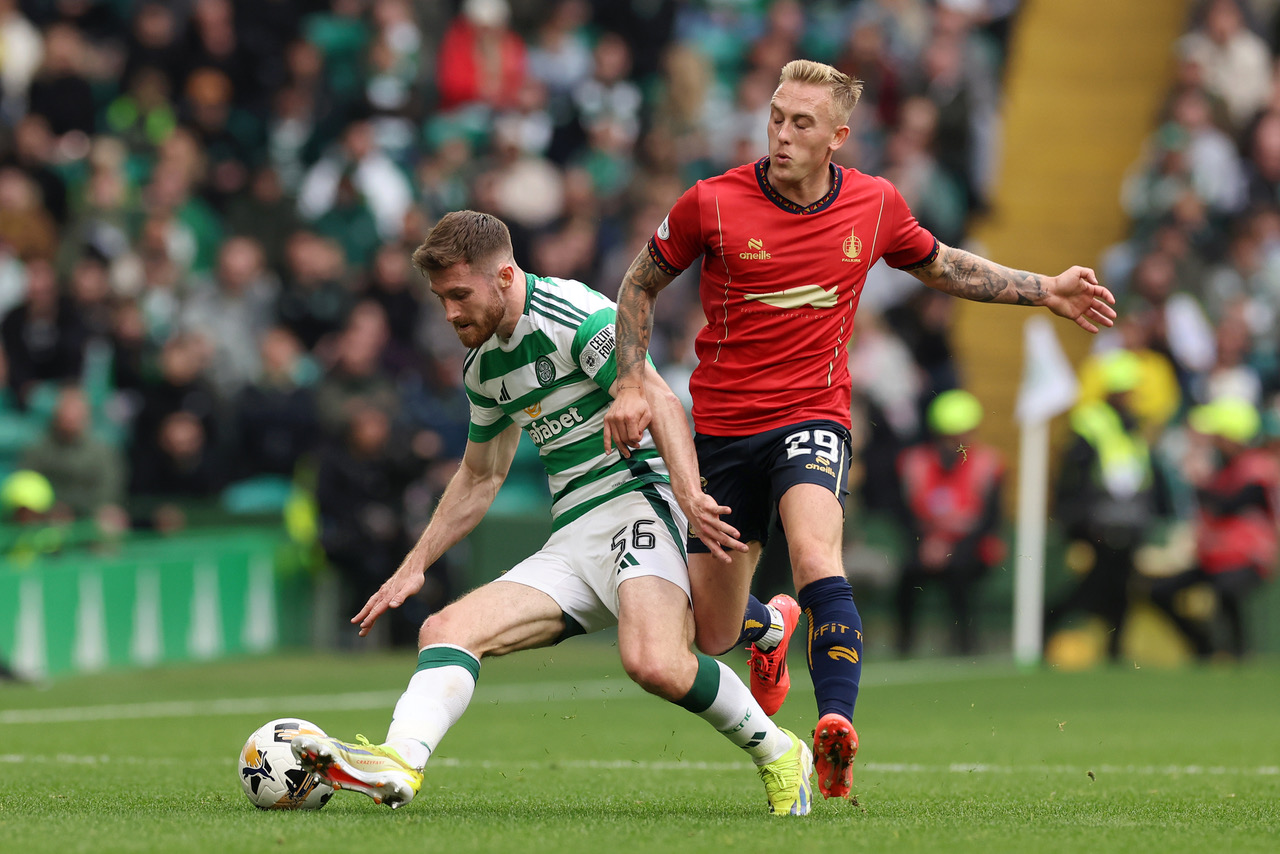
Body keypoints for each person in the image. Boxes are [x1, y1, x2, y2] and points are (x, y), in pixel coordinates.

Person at [602, 59, 1116, 801]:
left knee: (817, 555)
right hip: (721, 430)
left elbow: (943, 266)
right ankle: (769, 629)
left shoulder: (874, 205)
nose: (781, 133)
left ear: (837, 137)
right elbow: (639, 283)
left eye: (800, 123)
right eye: (776, 117)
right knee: (710, 633)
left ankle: (834, 725)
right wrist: (628, 381)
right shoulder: (709, 202)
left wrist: (1046, 291)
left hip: (812, 416)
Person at [291, 210, 814, 816]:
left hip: (639, 505)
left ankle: (782, 754)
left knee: (654, 662)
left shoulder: (573, 315)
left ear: (504, 276)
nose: (449, 313)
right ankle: (400, 762)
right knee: (443, 630)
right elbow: (480, 475)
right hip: (573, 536)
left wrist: (688, 492)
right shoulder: (482, 365)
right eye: (440, 299)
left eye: (459, 295)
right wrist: (415, 564)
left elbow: (661, 400)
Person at [1044, 351, 1158, 661]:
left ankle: (1115, 648)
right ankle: (1049, 625)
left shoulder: (1132, 426)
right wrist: (1079, 520)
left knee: (1118, 587)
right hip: (1099, 522)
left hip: (1127, 520)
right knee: (1097, 586)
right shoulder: (1092, 421)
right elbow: (1076, 475)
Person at [1150, 397, 1278, 659]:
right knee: (1160, 593)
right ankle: (1204, 648)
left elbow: (1229, 505)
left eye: (1218, 436)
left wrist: (1198, 483)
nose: (1214, 441)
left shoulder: (1257, 468)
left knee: (1225, 589)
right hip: (1215, 558)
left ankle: (1239, 653)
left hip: (1247, 559)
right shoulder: (1223, 467)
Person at [893, 389, 1005, 657]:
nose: (955, 443)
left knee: (959, 572)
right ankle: (903, 646)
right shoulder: (914, 462)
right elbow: (903, 513)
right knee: (908, 574)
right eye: (948, 436)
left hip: (971, 548)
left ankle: (965, 645)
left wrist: (951, 546)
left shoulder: (988, 464)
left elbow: (990, 520)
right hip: (925, 545)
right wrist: (928, 543)